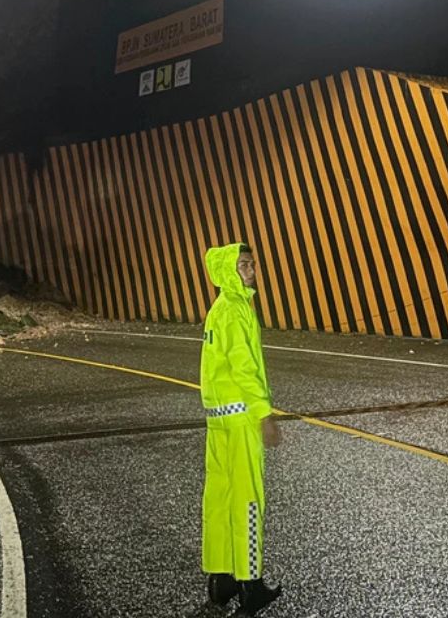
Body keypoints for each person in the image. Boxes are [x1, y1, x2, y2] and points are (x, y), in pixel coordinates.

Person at [200, 242, 282, 616]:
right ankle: (251, 585)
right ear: (227, 272)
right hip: (242, 418)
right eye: (243, 265)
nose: (251, 270)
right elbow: (244, 367)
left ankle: (222, 580)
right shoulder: (235, 310)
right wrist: (264, 414)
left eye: (252, 264)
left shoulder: (217, 310)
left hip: (218, 418)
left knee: (219, 500)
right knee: (248, 500)